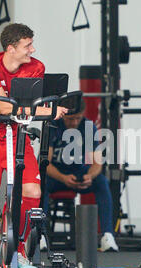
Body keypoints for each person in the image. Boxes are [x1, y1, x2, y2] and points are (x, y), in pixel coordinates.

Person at [0, 23, 67, 268]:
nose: (32, 49)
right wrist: (39, 111)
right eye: (27, 45)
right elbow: (2, 107)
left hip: (18, 136)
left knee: (32, 191)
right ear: (11, 48)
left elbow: (15, 108)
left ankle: (17, 251)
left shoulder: (36, 67)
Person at [43, 100, 119, 252]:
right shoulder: (52, 125)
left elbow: (97, 163)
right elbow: (45, 164)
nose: (74, 122)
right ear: (63, 115)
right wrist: (63, 178)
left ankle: (107, 235)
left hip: (78, 172)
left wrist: (89, 176)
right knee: (40, 184)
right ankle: (40, 235)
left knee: (101, 181)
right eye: (70, 119)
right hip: (57, 175)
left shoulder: (88, 126)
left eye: (78, 118)